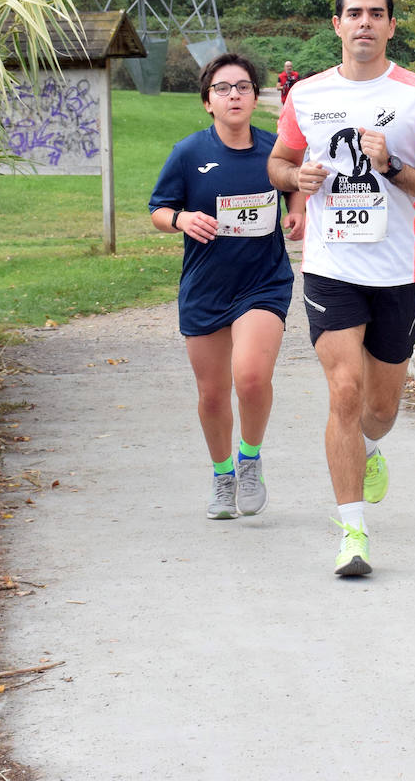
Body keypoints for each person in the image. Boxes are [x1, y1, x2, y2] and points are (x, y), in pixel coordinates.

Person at [267, 0, 415, 577]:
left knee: (380, 407)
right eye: (354, 13)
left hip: (396, 272)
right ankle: (353, 534)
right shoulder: (306, 97)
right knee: (344, 391)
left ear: (391, 26)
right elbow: (279, 160)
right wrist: (292, 180)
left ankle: (370, 449)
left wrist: (395, 166)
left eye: (377, 14)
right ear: (337, 25)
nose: (365, 24)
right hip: (330, 267)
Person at [149, 53, 305, 520]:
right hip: (206, 286)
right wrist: (182, 218)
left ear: (257, 97)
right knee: (213, 394)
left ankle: (250, 459)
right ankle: (222, 475)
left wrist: (294, 209)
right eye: (223, 88)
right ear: (207, 103)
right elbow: (158, 208)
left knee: (252, 377)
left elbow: (292, 180)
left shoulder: (274, 148)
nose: (233, 94)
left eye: (242, 87)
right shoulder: (189, 153)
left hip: (263, 283)